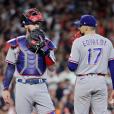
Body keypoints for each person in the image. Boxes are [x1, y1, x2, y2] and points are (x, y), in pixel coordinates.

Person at [2, 8, 56, 114]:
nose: (36, 26)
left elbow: (52, 68)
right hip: (22, 87)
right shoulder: (17, 43)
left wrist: (45, 50)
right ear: (25, 25)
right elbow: (10, 67)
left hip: (41, 85)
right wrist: (5, 88)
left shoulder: (47, 43)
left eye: (38, 24)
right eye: (33, 23)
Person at [68, 14, 114, 114]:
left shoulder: (78, 42)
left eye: (80, 26)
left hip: (83, 80)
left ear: (86, 27)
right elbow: (112, 67)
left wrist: (74, 47)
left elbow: (71, 66)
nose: (79, 28)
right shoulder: (107, 42)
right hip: (101, 81)